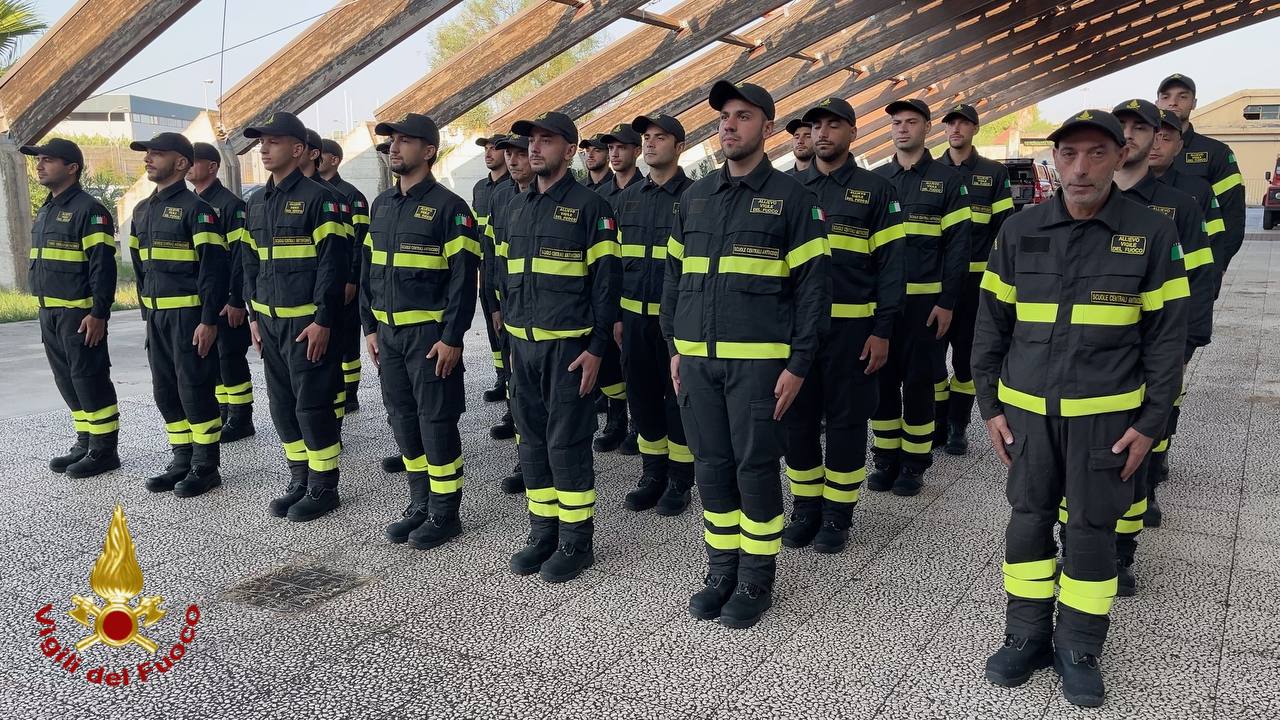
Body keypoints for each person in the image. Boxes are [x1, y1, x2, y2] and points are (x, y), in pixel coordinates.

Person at [975, 110, 1187, 708]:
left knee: (1092, 530)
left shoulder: (1150, 232)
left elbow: (1167, 338)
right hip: (1026, 414)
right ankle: (1025, 634)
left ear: (1120, 156)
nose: (1080, 167)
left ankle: (1080, 646)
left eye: (1096, 153)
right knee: (1028, 519)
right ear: (1054, 160)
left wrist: (1151, 422)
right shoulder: (1021, 231)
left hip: (1108, 417)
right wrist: (989, 404)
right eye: (1068, 153)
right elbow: (990, 323)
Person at [662, 81, 829, 628]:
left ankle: (756, 576)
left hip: (759, 365)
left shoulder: (794, 199)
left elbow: (813, 292)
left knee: (754, 468)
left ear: (768, 128)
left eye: (742, 116)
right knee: (711, 466)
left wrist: (798, 364)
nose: (728, 125)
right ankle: (720, 570)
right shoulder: (696, 197)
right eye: (724, 118)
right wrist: (676, 345)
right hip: (698, 362)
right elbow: (674, 278)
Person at [499, 111, 620, 582]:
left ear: (569, 151)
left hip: (569, 351)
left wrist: (596, 348)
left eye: (547, 141)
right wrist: (509, 338)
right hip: (524, 348)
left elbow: (606, 285)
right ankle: (541, 531)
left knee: (566, 444)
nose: (534, 148)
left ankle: (575, 541)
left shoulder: (592, 208)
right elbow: (508, 282)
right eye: (532, 141)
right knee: (530, 443)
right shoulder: (516, 207)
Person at [782, 97, 904, 554]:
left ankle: (837, 514)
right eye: (816, 127)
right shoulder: (789, 189)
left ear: (852, 133)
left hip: (854, 332)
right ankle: (806, 507)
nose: (823, 134)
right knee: (796, 422)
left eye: (834, 126)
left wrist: (883, 329)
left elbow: (893, 267)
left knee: (848, 424)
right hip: (797, 335)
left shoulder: (876, 191)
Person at [1108, 98, 1218, 595]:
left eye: (1140, 127)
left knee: (1136, 455)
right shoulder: (1084, 198)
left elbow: (1198, 280)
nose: (1130, 135)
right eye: (1121, 127)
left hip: (1152, 354)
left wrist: (1185, 345)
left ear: (1159, 138)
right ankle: (1081, 541)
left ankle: (1121, 554)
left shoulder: (1180, 206)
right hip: (1095, 359)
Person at [362, 113, 479, 549]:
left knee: (436, 422)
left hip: (430, 338)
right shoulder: (383, 205)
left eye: (406, 141)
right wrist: (370, 326)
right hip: (388, 338)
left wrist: (452, 337)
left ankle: (446, 512)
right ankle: (419, 502)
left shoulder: (450, 209)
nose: (394, 147)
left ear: (428, 151)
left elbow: (463, 280)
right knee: (403, 421)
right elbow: (369, 269)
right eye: (392, 141)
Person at [241, 111, 349, 522]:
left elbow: (332, 265)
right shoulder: (256, 202)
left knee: (313, 406)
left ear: (298, 149)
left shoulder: (320, 199)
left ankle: (323, 486)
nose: (264, 148)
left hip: (307, 325)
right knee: (282, 406)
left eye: (273, 141)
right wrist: (253, 316)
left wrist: (324, 320)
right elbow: (249, 262)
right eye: (261, 142)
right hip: (268, 323)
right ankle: (299, 478)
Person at [868, 98, 971, 496]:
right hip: (881, 307)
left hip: (925, 307)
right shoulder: (875, 180)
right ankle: (885, 457)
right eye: (896, 122)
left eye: (911, 122)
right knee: (880, 382)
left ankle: (913, 464)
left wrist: (947, 301)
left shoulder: (947, 181)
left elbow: (958, 248)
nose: (902, 129)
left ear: (927, 128)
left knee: (919, 384)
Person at [129, 132, 229, 497]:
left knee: (195, 389)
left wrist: (208, 320)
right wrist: (147, 317)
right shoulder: (142, 210)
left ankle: (205, 465)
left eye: (158, 153)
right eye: (147, 153)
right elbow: (141, 269)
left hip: (189, 318)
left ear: (182, 163)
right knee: (165, 391)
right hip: (157, 319)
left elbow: (213, 269)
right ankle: (181, 458)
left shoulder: (197, 209)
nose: (149, 159)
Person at [1145, 107, 1227, 526]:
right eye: (1150, 134)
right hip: (1124, 327)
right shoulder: (1113, 191)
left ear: (1179, 145)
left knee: (1163, 406)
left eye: (1166, 137)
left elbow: (1202, 272)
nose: (1155, 142)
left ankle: (1150, 484)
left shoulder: (1192, 196)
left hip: (1172, 326)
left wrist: (1192, 337)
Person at [21, 138, 121, 478]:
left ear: (72, 167)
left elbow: (102, 268)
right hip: (49, 311)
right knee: (67, 379)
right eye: (39, 160)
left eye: (48, 160)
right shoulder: (47, 208)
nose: (40, 165)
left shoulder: (90, 210)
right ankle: (85, 440)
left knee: (89, 377)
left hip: (80, 314)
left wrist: (99, 313)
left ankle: (104, 449)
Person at [615, 113, 695, 515]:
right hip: (633, 320)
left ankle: (681, 479)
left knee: (676, 399)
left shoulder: (696, 197)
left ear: (679, 146)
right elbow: (613, 263)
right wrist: (615, 316)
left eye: (659, 138)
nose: (649, 144)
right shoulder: (627, 197)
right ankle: (652, 473)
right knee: (642, 398)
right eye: (645, 137)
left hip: (677, 322)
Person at [934, 103, 1013, 454]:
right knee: (933, 359)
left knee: (966, 360)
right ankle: (935, 422)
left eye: (963, 124)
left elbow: (1004, 230)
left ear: (975, 129)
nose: (956, 129)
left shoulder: (993, 173)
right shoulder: (930, 171)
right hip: (935, 285)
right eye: (950, 124)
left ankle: (957, 426)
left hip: (975, 285)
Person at [189, 142, 255, 442]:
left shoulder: (230, 206)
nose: (188, 166)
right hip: (204, 300)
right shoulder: (192, 204)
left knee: (230, 358)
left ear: (212, 167)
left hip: (228, 299)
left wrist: (236, 298)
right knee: (211, 358)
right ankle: (224, 413)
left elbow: (240, 256)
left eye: (195, 161)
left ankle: (241, 418)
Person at [591, 122, 645, 456]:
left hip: (638, 290)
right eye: (610, 148)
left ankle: (639, 423)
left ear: (636, 151)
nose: (614, 153)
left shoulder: (645, 189)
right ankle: (616, 421)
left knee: (636, 364)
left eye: (621, 147)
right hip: (608, 291)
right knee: (610, 363)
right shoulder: (598, 197)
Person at [1156, 73, 1245, 275]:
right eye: (1166, 96)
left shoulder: (1217, 153)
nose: (1173, 102)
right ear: (1157, 102)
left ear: (1194, 103)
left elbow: (1233, 215)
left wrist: (1217, 268)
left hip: (1195, 271)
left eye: (1182, 96)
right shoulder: (1139, 150)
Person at [488, 133, 535, 494]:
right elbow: (494, 257)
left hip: (550, 320)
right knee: (517, 390)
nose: (516, 160)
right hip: (512, 311)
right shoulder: (501, 198)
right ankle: (526, 458)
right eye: (512, 155)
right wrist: (495, 304)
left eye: (522, 153)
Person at [319, 138, 370, 416]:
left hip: (347, 281)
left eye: (323, 156)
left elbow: (360, 241)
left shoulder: (352, 196)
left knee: (348, 339)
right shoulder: (318, 193)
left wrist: (352, 278)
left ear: (335, 160)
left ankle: (351, 393)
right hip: (327, 283)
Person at [472, 134, 513, 407]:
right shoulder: (480, 188)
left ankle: (510, 381)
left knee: (506, 327)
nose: (489, 152)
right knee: (492, 324)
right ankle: (501, 375)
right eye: (486, 148)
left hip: (506, 266)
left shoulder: (513, 189)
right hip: (485, 265)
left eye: (494, 148)